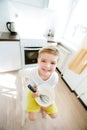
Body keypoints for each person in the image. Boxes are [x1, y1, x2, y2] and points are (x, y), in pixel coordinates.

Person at [25, 45, 59, 121]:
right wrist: (34, 91)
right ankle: (37, 108)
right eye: (43, 61)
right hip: (34, 93)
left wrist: (46, 103)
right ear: (38, 61)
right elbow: (29, 84)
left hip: (45, 94)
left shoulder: (55, 77)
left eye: (53, 63)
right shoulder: (33, 73)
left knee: (54, 116)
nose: (47, 66)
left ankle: (42, 109)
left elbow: (51, 89)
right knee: (32, 118)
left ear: (56, 64)